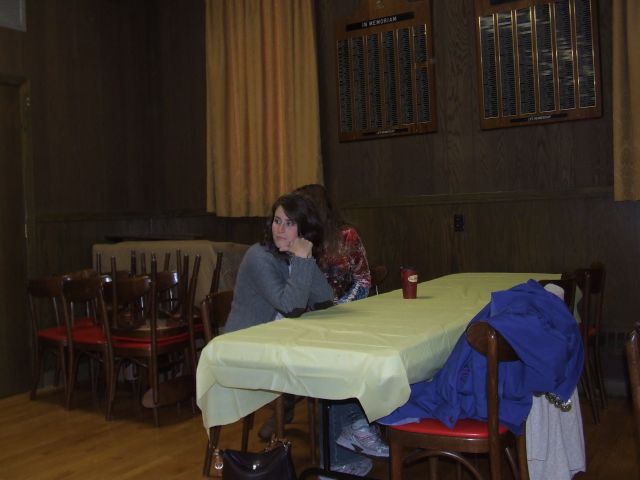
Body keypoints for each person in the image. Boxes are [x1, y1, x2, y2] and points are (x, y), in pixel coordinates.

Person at [293, 184, 387, 477]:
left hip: (348, 318)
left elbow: (363, 279)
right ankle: (345, 441)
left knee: (361, 353)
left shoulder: (346, 236)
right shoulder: (296, 241)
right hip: (306, 325)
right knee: (330, 360)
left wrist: (341, 308)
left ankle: (354, 426)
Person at [223, 192, 334, 334]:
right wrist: (302, 260)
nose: (280, 230)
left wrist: (306, 257)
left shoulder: (294, 253)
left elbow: (324, 301)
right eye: (277, 221)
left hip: (280, 335)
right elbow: (291, 309)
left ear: (303, 229)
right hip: (245, 339)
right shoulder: (259, 256)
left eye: (289, 223)